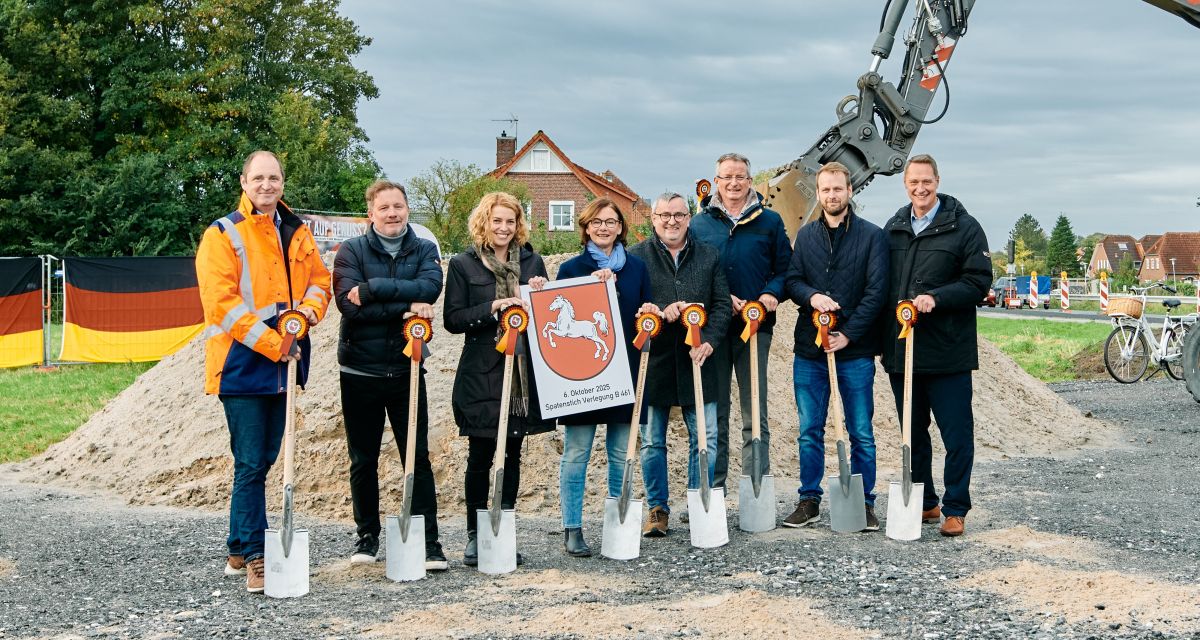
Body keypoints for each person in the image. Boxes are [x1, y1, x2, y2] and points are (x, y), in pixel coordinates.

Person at [195, 150, 331, 593]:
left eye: (274, 178)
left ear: (283, 182)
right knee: (252, 462)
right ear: (244, 181)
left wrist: (307, 316)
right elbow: (222, 303)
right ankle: (255, 554)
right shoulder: (222, 234)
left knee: (264, 460)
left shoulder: (297, 230)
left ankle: (238, 545)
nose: (267, 185)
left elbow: (319, 282)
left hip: (285, 364)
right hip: (242, 363)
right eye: (259, 178)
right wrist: (277, 344)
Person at [332, 180, 446, 569]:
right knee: (363, 458)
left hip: (407, 370)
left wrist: (375, 287)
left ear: (407, 209)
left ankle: (428, 540)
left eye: (398, 206)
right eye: (384, 208)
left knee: (416, 456)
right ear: (371, 213)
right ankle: (367, 536)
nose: (393, 213)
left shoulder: (425, 249)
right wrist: (404, 308)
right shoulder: (350, 251)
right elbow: (350, 309)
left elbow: (430, 290)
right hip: (358, 370)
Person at [880, 154, 991, 537]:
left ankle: (956, 507)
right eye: (913, 182)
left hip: (948, 353)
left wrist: (936, 298)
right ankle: (926, 502)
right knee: (913, 432)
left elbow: (979, 282)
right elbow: (881, 287)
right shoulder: (894, 227)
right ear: (905, 184)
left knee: (956, 434)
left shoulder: (965, 228)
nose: (920, 189)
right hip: (903, 354)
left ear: (938, 181)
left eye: (927, 182)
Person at [443, 192, 553, 565]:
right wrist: (493, 307)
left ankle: (502, 532)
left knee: (512, 455)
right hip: (481, 373)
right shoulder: (463, 265)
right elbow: (453, 319)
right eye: (497, 221)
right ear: (484, 223)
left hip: (523, 376)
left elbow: (550, 318)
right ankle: (476, 536)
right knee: (480, 455)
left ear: (518, 224)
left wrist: (541, 298)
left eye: (510, 221)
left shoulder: (534, 261)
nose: (504, 228)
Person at [782, 161, 888, 531]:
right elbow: (792, 281)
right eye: (825, 189)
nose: (831, 195)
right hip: (810, 352)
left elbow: (877, 293)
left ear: (850, 191)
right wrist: (812, 297)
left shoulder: (872, 237)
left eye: (838, 189)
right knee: (810, 429)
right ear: (820, 192)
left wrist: (849, 334)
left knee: (861, 431)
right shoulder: (806, 236)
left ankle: (865, 502)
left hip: (855, 352)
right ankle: (808, 500)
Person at [628, 192, 731, 537]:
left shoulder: (709, 256)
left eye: (678, 215)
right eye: (664, 215)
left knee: (706, 437)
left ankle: (697, 505)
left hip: (698, 359)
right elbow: (629, 307)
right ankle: (657, 510)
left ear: (689, 218)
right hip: (653, 359)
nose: (671, 221)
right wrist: (656, 310)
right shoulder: (635, 257)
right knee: (652, 440)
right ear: (653, 219)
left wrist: (711, 342)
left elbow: (719, 306)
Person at [554, 197, 652, 557]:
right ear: (586, 227)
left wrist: (650, 312)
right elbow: (563, 326)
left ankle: (617, 524)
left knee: (620, 452)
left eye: (610, 222)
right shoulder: (570, 269)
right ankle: (572, 528)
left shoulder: (638, 268)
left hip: (623, 373)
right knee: (577, 452)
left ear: (620, 227)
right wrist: (593, 289)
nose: (604, 228)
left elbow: (646, 314)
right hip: (583, 377)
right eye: (596, 222)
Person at [692, 152, 793, 490]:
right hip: (714, 331)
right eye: (727, 177)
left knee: (754, 410)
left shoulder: (770, 221)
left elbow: (785, 271)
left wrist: (769, 294)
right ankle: (714, 487)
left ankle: (755, 488)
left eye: (740, 177)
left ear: (751, 182)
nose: (733, 183)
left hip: (756, 328)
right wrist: (718, 300)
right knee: (715, 410)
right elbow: (693, 273)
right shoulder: (700, 223)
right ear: (716, 181)